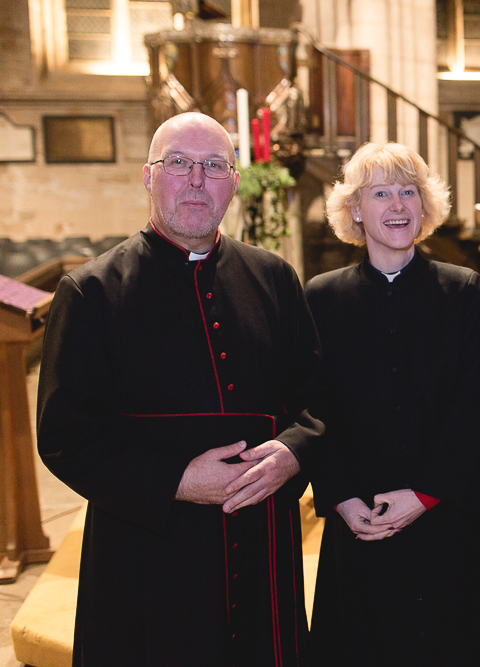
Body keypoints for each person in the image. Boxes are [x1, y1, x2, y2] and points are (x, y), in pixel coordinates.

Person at [36, 112, 322, 666]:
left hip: (261, 543)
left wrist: (294, 454)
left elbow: (315, 401)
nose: (197, 180)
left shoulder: (274, 278)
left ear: (235, 183)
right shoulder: (91, 291)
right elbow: (66, 438)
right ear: (148, 176)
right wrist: (179, 481)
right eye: (179, 164)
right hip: (145, 556)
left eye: (215, 166)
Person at [305, 142, 480, 666]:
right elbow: (313, 409)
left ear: (425, 205)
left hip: (451, 509)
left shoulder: (461, 289)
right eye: (381, 193)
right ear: (355, 210)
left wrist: (426, 493)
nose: (397, 206)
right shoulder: (321, 297)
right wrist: (341, 498)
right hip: (361, 512)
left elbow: (476, 403)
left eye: (408, 192)